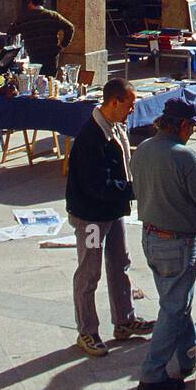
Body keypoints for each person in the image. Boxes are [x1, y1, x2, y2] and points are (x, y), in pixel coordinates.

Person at [131, 98, 196, 390]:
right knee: (174, 307)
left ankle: (191, 355)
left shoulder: (143, 149)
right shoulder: (185, 157)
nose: (190, 133)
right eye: (191, 127)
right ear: (183, 125)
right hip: (176, 241)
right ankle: (152, 372)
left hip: (150, 237)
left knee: (176, 301)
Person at [65, 78, 154, 358]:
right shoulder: (91, 138)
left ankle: (124, 320)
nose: (132, 110)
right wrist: (136, 189)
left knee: (120, 264)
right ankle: (87, 331)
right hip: (91, 214)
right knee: (89, 272)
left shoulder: (115, 126)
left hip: (113, 210)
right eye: (129, 105)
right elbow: (98, 186)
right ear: (114, 102)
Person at [8, 0, 74, 76]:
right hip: (51, 54)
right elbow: (70, 27)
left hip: (34, 54)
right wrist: (63, 45)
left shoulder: (24, 18)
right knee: (50, 80)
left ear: (31, 2)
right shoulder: (53, 15)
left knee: (36, 79)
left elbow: (11, 31)